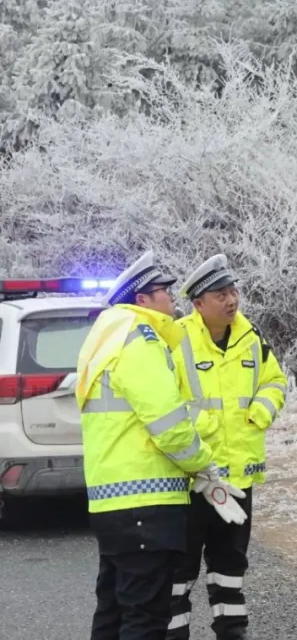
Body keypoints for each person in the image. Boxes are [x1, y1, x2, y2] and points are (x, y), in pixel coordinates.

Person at [76, 250, 247, 640]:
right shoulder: (140, 339)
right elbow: (170, 425)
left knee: (115, 612)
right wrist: (205, 467)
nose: (172, 299)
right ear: (142, 301)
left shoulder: (106, 337)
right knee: (146, 617)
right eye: (163, 291)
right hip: (146, 504)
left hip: (112, 501)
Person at [164, 254, 288, 640]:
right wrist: (200, 428)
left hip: (236, 478)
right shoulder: (176, 338)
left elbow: (276, 382)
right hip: (189, 480)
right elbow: (162, 404)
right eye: (221, 294)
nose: (231, 300)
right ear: (198, 303)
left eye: (233, 291)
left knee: (230, 567)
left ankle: (232, 633)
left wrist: (260, 413)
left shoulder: (252, 338)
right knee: (178, 572)